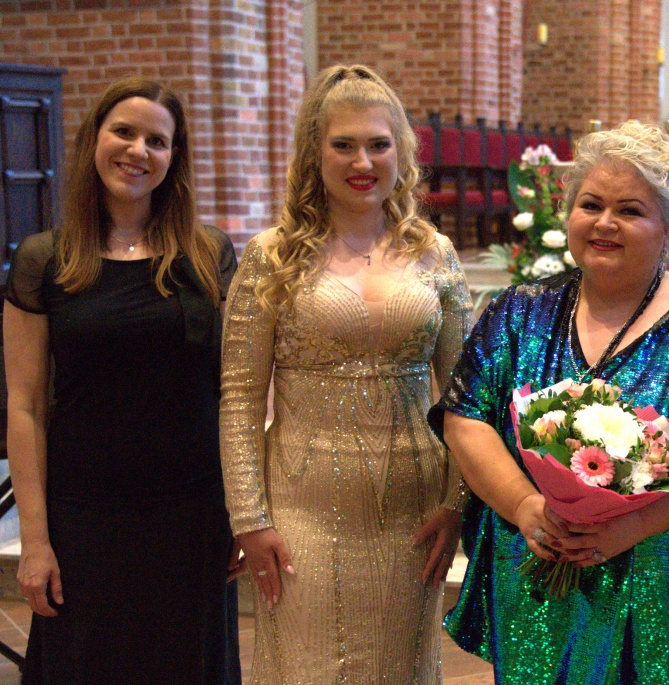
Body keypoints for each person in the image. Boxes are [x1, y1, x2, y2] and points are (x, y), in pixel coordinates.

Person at [429, 120, 669, 684]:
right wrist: (524, 506)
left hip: (648, 572)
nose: (605, 223)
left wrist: (630, 528)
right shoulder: (519, 311)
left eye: (630, 210)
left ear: (667, 228)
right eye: (591, 205)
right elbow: (465, 416)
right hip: (536, 563)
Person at [218, 64, 473, 684]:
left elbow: (466, 395)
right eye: (344, 144)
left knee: (401, 668)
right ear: (315, 152)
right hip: (302, 508)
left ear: (401, 152)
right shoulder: (271, 255)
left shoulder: (434, 252)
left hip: (414, 512)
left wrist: (456, 502)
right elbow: (240, 397)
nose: (363, 161)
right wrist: (250, 518)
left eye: (378, 144)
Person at [4, 77, 240, 683]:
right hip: (84, 515)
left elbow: (235, 395)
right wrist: (35, 540)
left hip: (191, 511)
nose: (138, 150)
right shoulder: (45, 259)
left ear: (173, 158)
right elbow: (25, 406)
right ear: (95, 140)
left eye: (156, 141)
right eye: (124, 132)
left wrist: (244, 510)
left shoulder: (208, 254)